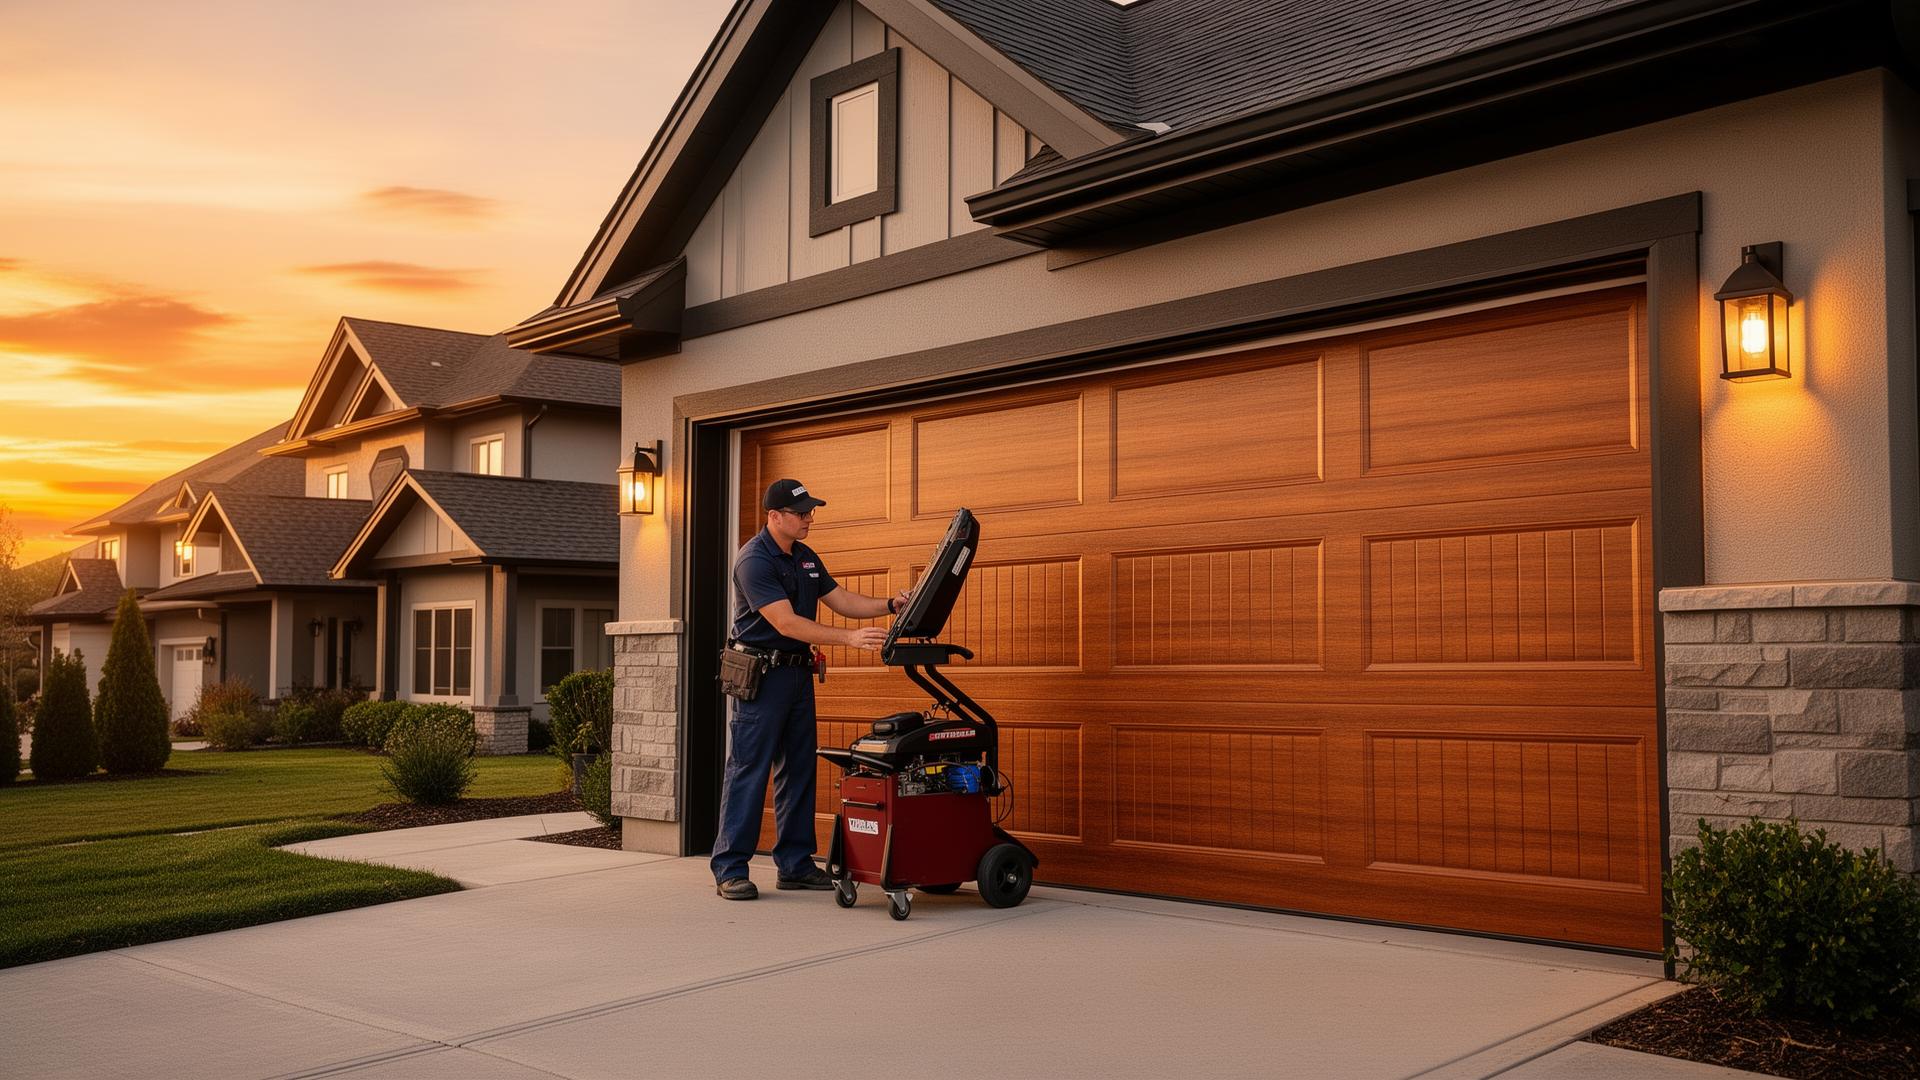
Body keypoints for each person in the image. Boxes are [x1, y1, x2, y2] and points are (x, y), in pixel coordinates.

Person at [712, 477, 910, 900]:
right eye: (801, 514)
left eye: (810, 512)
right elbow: (785, 622)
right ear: (774, 516)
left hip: (797, 676)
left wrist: (890, 606)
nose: (809, 519)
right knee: (748, 770)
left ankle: (796, 865)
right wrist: (848, 639)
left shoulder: (804, 557)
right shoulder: (754, 560)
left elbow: (840, 599)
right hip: (761, 678)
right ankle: (730, 868)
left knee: (799, 770)